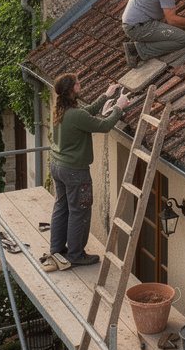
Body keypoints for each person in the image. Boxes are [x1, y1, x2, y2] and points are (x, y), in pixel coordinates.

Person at [44, 73, 128, 272]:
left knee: (61, 207)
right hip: (75, 171)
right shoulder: (76, 114)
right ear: (73, 89)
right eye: (78, 83)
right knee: (79, 211)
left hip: (57, 166)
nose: (80, 85)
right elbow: (104, 125)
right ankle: (75, 255)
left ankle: (57, 250)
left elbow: (86, 113)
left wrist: (106, 96)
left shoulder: (62, 109)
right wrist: (119, 107)